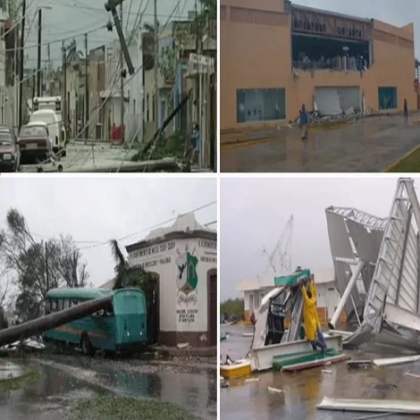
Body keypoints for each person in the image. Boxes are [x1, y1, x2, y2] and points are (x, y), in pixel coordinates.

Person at [301, 277, 327, 353]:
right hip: (314, 322)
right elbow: (313, 292)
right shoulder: (313, 299)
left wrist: (302, 286)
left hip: (310, 323)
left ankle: (323, 346)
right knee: (311, 338)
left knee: (312, 340)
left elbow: (305, 295)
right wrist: (312, 282)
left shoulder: (307, 302)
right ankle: (315, 350)